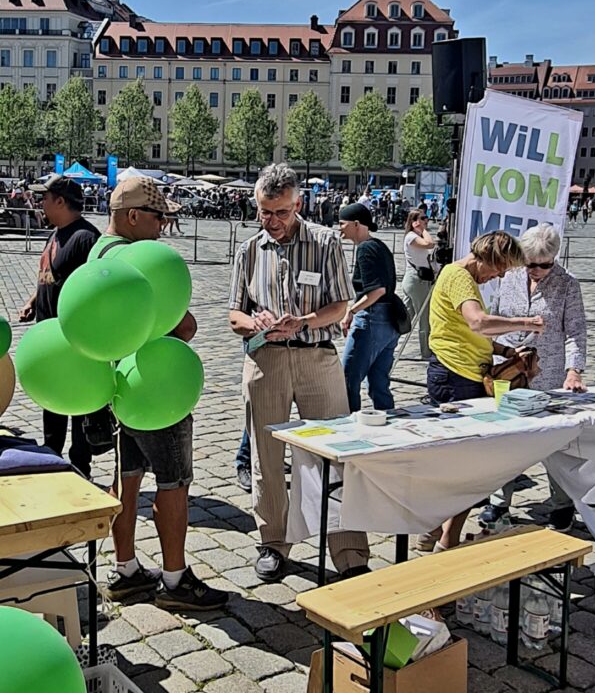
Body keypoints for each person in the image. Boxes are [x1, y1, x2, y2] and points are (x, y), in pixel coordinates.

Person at [90, 178, 227, 610]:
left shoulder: (99, 253)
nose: (164, 228)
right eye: (159, 218)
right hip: (156, 384)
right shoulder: (139, 260)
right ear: (133, 216)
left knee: (127, 478)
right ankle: (175, 579)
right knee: (174, 482)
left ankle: (125, 569)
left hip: (117, 386)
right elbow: (183, 326)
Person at [229, 163, 370, 583]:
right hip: (265, 361)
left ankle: (348, 550)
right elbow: (234, 312)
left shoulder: (326, 243)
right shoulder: (250, 249)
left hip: (316, 357)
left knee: (333, 454)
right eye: (264, 212)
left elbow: (342, 305)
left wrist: (304, 321)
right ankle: (273, 542)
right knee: (266, 458)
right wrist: (252, 323)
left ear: (298, 204)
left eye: (280, 213)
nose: (271, 222)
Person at [423, 231, 545, 550]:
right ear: (486, 258)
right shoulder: (460, 276)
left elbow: (470, 334)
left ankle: (434, 531)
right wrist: (524, 323)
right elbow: (477, 323)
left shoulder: (462, 280)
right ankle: (445, 543)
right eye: (500, 267)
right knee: (469, 467)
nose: (501, 275)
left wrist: (507, 354)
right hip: (456, 378)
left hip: (459, 375)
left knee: (460, 463)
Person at [478, 224, 586, 534]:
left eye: (544, 264)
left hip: (549, 375)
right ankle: (499, 502)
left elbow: (576, 331)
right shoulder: (510, 276)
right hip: (509, 372)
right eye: (531, 264)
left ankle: (563, 504)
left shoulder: (567, 285)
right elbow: (495, 317)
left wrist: (573, 371)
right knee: (506, 439)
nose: (536, 270)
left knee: (554, 442)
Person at [18, 175, 106, 478]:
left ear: (60, 201)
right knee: (52, 398)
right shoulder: (54, 234)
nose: (40, 204)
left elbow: (91, 289)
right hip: (48, 338)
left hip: (74, 341)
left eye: (45, 198)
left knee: (79, 401)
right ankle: (50, 456)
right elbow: (49, 273)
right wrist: (33, 300)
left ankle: (81, 465)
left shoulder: (85, 238)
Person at [338, 203, 400, 412]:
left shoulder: (365, 249)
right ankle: (389, 423)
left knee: (347, 381)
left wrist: (351, 311)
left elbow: (377, 290)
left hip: (373, 318)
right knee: (378, 381)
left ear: (356, 224)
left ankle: (350, 427)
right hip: (390, 321)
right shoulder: (379, 245)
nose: (340, 229)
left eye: (342, 224)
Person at [401, 208, 436, 360]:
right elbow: (429, 244)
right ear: (414, 221)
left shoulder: (414, 236)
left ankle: (388, 344)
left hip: (416, 280)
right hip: (417, 281)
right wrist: (423, 230)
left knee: (405, 317)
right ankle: (426, 352)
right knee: (424, 317)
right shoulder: (411, 237)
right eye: (422, 218)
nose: (426, 220)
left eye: (426, 218)